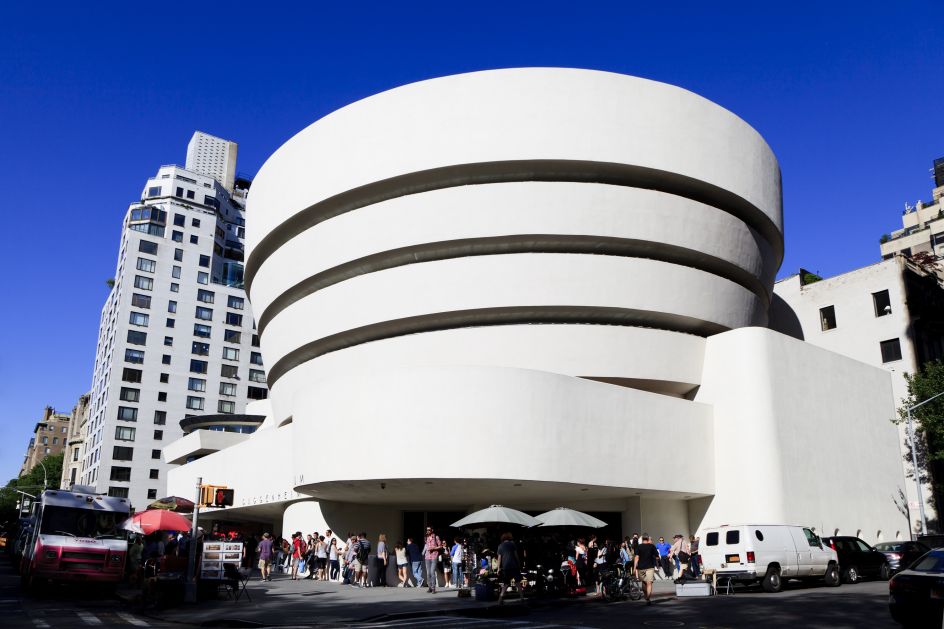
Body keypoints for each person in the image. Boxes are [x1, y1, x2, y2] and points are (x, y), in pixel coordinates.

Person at [633, 534, 660, 605]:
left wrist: (634, 568)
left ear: (642, 540)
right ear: (648, 539)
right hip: (650, 567)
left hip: (641, 568)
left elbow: (636, 558)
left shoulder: (638, 547)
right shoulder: (652, 546)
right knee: (648, 583)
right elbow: (657, 557)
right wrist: (657, 564)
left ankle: (647, 597)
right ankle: (647, 597)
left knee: (646, 583)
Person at [496, 532, 521, 605]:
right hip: (514, 566)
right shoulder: (512, 544)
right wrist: (519, 564)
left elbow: (499, 558)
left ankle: (500, 600)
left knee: (506, 584)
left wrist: (498, 568)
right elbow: (516, 555)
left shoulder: (500, 546)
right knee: (518, 583)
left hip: (506, 567)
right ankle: (522, 598)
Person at [422, 527, 441, 593]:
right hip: (427, 557)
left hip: (434, 556)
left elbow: (440, 546)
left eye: (429, 530)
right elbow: (426, 546)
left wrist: (433, 548)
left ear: (432, 530)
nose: (428, 531)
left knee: (432, 572)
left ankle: (433, 588)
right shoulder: (426, 538)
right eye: (427, 530)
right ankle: (429, 587)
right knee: (428, 573)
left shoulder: (436, 537)